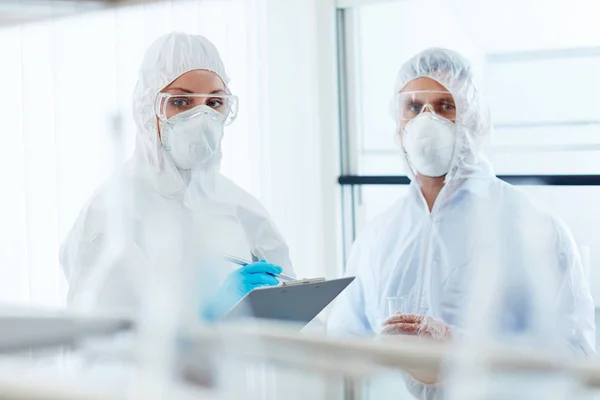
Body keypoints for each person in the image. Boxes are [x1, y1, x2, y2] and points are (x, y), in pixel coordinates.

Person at [327, 48, 595, 398]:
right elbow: (342, 350)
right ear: (398, 121)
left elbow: (576, 359)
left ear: (472, 119)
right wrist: (381, 356)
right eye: (414, 107)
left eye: (444, 106)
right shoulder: (377, 236)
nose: (426, 120)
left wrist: (461, 352)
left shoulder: (532, 227)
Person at [60, 32, 293, 318]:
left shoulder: (240, 205)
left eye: (214, 103)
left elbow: (298, 314)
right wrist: (206, 314)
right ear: (148, 109)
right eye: (181, 102)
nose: (203, 118)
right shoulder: (111, 212)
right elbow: (106, 345)